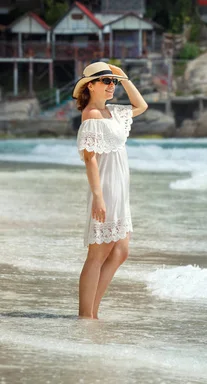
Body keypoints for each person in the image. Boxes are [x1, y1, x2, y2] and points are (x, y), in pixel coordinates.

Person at [73, 61, 148, 319]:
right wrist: (98, 197)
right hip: (105, 188)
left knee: (120, 251)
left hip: (120, 189)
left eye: (112, 82)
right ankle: (86, 315)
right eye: (106, 81)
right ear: (90, 85)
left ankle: (93, 310)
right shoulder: (91, 115)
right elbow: (90, 158)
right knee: (98, 253)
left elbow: (141, 106)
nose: (111, 86)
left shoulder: (113, 112)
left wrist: (124, 78)